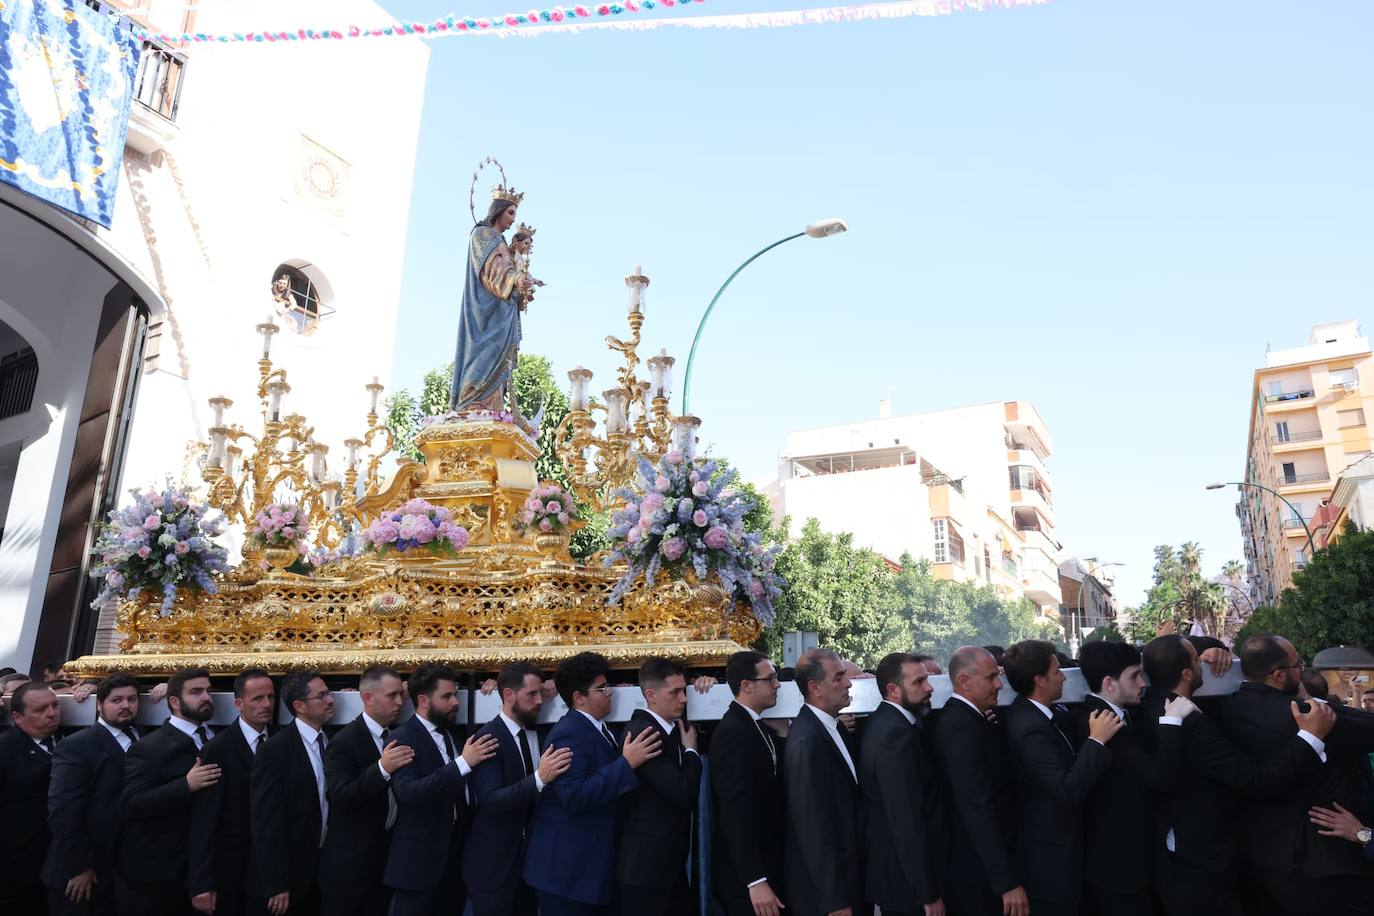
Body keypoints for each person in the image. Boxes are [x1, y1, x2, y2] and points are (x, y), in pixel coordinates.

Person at [1140, 635, 1333, 916]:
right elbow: (1258, 781)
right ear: (1186, 672)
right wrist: (1310, 737)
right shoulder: (1192, 725)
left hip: (1182, 856)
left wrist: (1210, 651)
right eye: (1197, 659)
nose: (1202, 665)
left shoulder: (1149, 706)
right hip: (1204, 864)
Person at [1221, 635, 1374, 914]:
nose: (1302, 671)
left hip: (1261, 858)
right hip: (1325, 863)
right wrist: (1314, 702)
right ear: (1279, 675)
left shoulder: (1228, 707)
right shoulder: (1308, 716)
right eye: (1298, 665)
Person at [524, 651, 661, 916]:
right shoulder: (568, 734)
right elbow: (574, 797)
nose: (609, 692)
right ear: (579, 698)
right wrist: (626, 764)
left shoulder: (599, 728)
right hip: (566, 874)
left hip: (587, 871)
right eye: (601, 688)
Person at [1001, 639, 1121, 916]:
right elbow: (1066, 790)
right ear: (1039, 679)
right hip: (1052, 864)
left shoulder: (1048, 714)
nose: (1064, 677)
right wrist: (1097, 741)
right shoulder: (1028, 727)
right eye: (1057, 671)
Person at [1071, 641, 1188, 916]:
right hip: (1119, 870)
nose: (1143, 683)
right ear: (1109, 684)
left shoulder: (1120, 712)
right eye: (1135, 676)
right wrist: (1173, 722)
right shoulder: (1101, 721)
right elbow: (1160, 777)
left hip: (1134, 863)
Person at [384, 664, 497, 916]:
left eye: (455, 694)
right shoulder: (403, 737)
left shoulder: (452, 735)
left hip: (454, 864)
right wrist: (463, 763)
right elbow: (409, 793)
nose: (456, 702)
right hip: (418, 866)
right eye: (446, 696)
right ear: (423, 700)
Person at [464, 662, 572, 916]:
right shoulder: (487, 738)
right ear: (509, 695)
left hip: (531, 866)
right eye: (531, 694)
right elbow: (491, 800)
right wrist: (539, 779)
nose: (539, 701)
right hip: (493, 867)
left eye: (540, 694)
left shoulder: (539, 732)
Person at [118, 667, 219, 916]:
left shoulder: (216, 739)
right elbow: (133, 802)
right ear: (174, 701)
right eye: (196, 692)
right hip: (157, 877)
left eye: (208, 691)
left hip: (203, 869)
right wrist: (185, 785)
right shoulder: (148, 747)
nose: (206, 697)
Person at [932, 647, 1024, 916]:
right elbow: (976, 807)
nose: (999, 684)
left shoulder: (972, 719)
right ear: (964, 681)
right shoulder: (959, 726)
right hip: (979, 879)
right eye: (991, 677)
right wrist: (1006, 882)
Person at [43, 672, 140, 916]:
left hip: (122, 869)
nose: (126, 706)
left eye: (132, 699)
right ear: (100, 705)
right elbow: (64, 811)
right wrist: (79, 867)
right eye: (116, 700)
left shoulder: (144, 737)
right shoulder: (77, 745)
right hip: (81, 873)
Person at [321, 666, 414, 916]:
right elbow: (341, 797)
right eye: (391, 696)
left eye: (401, 695)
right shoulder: (343, 742)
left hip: (383, 864)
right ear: (368, 698)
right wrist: (382, 768)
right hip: (350, 872)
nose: (399, 702)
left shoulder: (397, 735)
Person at [617, 657, 703, 916]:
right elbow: (683, 793)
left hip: (664, 868)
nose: (684, 698)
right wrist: (691, 752)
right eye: (675, 692)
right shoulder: (644, 733)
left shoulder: (667, 729)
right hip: (646, 872)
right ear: (651, 695)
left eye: (685, 690)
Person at [783, 648, 866, 916]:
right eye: (839, 677)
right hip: (829, 899)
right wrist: (835, 900)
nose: (849, 683)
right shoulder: (806, 740)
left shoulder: (833, 728)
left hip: (849, 881)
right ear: (814, 687)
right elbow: (812, 825)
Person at [861, 652, 944, 916]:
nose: (929, 687)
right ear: (893, 690)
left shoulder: (890, 723)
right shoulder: (894, 734)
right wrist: (927, 893)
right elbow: (905, 819)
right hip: (905, 887)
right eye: (919, 682)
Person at [188, 668, 275, 916]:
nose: (266, 704)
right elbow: (204, 820)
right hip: (229, 873)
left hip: (267, 875)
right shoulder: (218, 749)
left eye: (270, 697)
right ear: (239, 703)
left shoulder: (279, 742)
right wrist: (202, 882)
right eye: (257, 699)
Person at [250, 670, 333, 916]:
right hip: (291, 876)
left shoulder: (329, 740)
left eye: (329, 693)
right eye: (322, 696)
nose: (330, 700)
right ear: (300, 706)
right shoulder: (275, 750)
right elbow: (266, 820)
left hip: (324, 869)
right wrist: (277, 883)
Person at [710, 651, 786, 916]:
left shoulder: (757, 726)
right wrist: (755, 880)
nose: (777, 685)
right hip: (749, 879)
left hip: (769, 864)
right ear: (746, 685)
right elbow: (734, 811)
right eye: (770, 679)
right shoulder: (733, 731)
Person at [450, 189, 532, 414]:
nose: (513, 219)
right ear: (498, 211)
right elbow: (491, 272)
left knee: (500, 365)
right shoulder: (482, 235)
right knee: (482, 360)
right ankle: (473, 403)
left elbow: (511, 272)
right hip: (484, 316)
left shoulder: (504, 244)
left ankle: (493, 407)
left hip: (503, 316)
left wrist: (524, 288)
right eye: (510, 213)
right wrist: (514, 279)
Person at [1, 681, 61, 913]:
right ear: (17, 717)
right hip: (15, 866)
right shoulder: (5, 751)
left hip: (58, 860)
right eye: (40, 709)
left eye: (55, 705)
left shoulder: (70, 738)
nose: (52, 713)